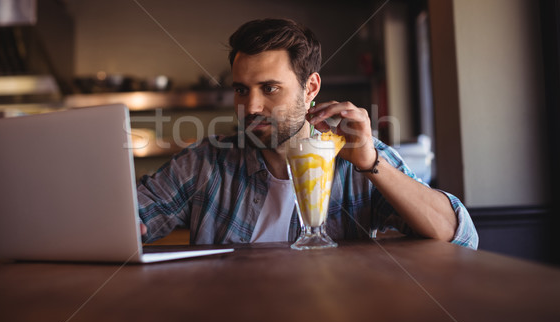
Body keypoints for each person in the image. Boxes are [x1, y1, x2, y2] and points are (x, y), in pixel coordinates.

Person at [137, 18, 478, 249]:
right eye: (241, 90)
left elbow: (460, 237)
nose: (251, 106)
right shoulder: (204, 163)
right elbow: (136, 216)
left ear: (310, 87)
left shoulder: (356, 159)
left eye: (269, 88)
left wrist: (371, 164)